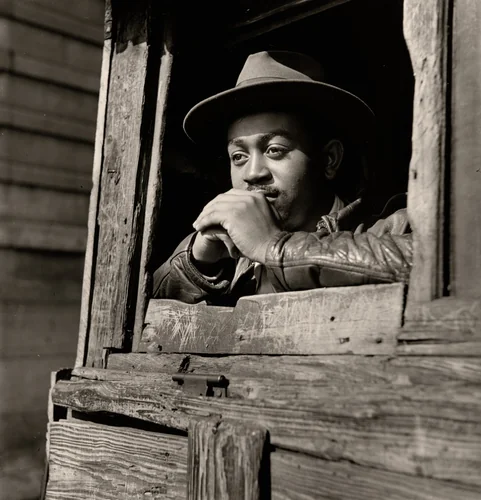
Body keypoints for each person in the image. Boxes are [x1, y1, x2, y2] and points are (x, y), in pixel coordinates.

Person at [152, 51, 412, 305]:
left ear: (329, 159)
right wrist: (196, 262)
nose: (253, 173)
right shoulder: (225, 256)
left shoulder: (393, 228)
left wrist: (274, 247)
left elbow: (424, 265)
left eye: (274, 150)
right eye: (239, 156)